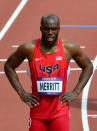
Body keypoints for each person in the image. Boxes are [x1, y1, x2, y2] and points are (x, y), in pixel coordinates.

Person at [4, 14, 93, 131]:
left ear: (59, 29)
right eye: (46, 29)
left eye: (54, 29)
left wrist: (76, 92)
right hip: (37, 113)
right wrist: (21, 93)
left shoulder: (69, 48)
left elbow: (88, 66)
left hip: (60, 113)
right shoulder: (29, 48)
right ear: (41, 29)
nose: (50, 32)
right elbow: (9, 66)